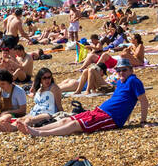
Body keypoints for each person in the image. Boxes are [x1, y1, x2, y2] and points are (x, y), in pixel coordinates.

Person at [17, 57, 146, 136]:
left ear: (131, 70)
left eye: (124, 70)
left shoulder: (134, 81)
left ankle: (39, 133)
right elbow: (125, 101)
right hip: (100, 111)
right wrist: (128, 117)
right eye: (118, 70)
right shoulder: (121, 82)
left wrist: (143, 122)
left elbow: (143, 101)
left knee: (75, 125)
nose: (121, 72)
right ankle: (36, 129)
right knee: (67, 120)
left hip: (110, 117)